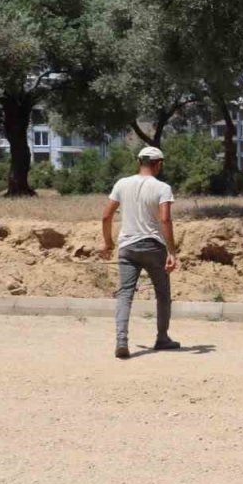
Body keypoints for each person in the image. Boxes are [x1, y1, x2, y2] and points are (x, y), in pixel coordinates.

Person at [101, 146, 181, 360]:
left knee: (125, 295)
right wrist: (171, 252)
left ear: (139, 162)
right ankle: (162, 338)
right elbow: (165, 219)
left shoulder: (121, 184)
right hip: (154, 247)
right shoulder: (162, 188)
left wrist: (108, 243)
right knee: (162, 294)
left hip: (127, 248)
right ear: (159, 164)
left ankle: (121, 341)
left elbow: (106, 216)